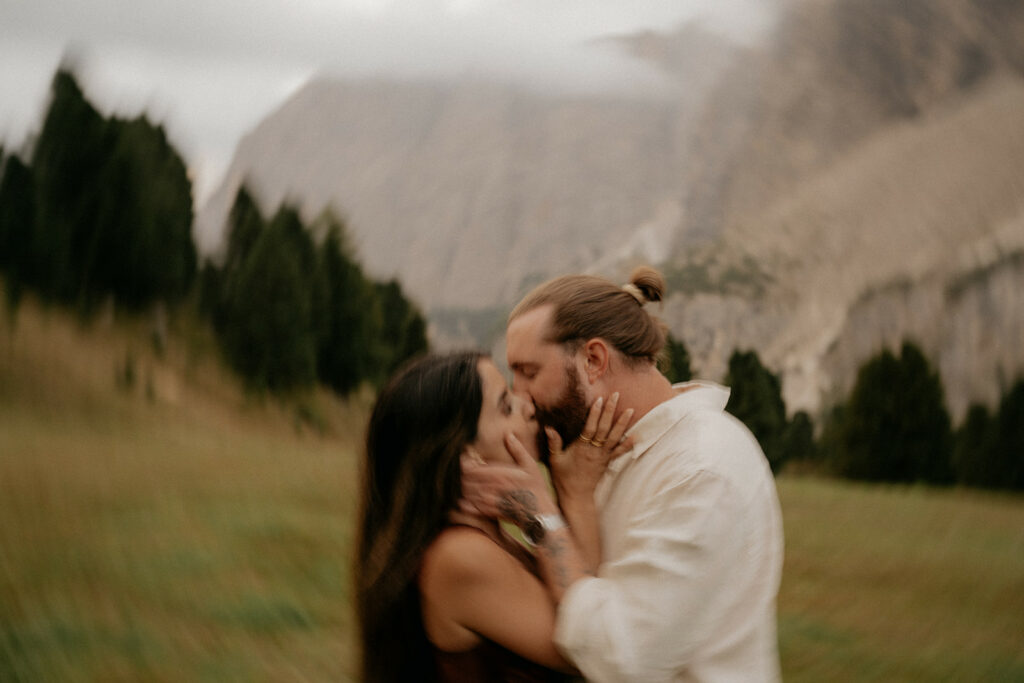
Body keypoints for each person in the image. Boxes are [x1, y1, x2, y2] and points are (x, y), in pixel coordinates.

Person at [461, 266, 784, 682]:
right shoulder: (592, 455)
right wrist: (572, 496)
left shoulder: (701, 469)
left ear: (593, 360)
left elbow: (623, 660)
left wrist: (541, 516)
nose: (520, 397)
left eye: (529, 373)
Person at [354, 350, 632, 682]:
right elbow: (592, 650)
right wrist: (550, 508)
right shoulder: (460, 556)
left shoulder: (486, 537)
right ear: (467, 457)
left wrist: (573, 491)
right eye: (506, 406)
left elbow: (587, 602)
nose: (528, 406)